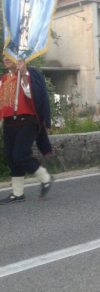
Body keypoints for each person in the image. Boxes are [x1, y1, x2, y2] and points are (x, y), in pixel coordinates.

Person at [0, 56, 54, 204]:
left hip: (27, 122)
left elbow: (34, 95)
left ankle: (45, 178)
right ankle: (18, 194)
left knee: (20, 155)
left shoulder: (30, 73)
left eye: (9, 55)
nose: (5, 58)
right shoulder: (4, 78)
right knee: (11, 157)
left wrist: (23, 74)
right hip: (9, 123)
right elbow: (2, 103)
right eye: (4, 55)